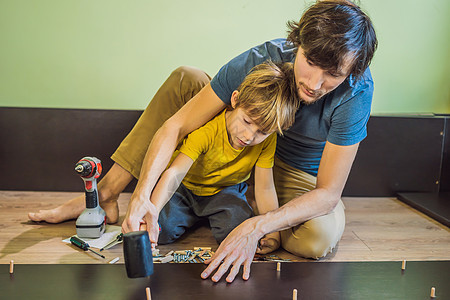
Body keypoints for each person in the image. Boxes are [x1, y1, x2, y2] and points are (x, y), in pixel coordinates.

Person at [29, 0, 377, 283]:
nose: (315, 84)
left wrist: (256, 227)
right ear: (296, 43)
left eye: (333, 74)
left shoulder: (356, 92)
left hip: (290, 168)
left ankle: (240, 205)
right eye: (311, 63)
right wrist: (142, 198)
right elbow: (176, 126)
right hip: (232, 138)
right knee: (187, 79)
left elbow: (329, 193)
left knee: (316, 239)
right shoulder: (262, 60)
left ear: (353, 71)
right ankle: (106, 193)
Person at [149, 61, 299, 249]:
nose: (248, 136)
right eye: (246, 121)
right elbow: (174, 174)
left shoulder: (268, 141)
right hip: (186, 189)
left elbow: (265, 188)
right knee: (162, 230)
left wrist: (273, 234)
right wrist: (152, 214)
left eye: (262, 132)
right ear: (235, 99)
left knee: (239, 235)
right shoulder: (207, 131)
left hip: (225, 191)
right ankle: (192, 216)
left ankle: (212, 216)